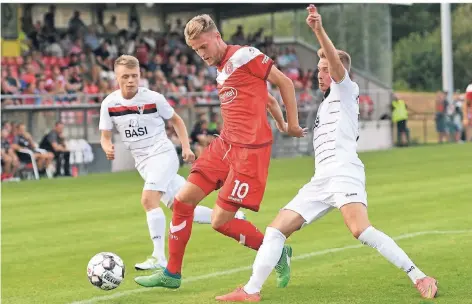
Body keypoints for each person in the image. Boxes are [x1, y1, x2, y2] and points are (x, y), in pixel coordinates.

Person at [216, 5, 438, 302]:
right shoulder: (325, 104)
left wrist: (318, 31)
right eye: (318, 70)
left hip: (344, 171)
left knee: (360, 230)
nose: (319, 74)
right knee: (275, 230)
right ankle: (251, 290)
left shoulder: (347, 89)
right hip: (322, 178)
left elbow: (335, 64)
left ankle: (419, 276)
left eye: (324, 70)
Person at [134, 14, 306, 289]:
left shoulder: (245, 55)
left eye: (203, 47)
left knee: (219, 221)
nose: (201, 54)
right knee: (182, 201)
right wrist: (280, 121)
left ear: (217, 37)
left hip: (249, 153)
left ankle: (276, 253)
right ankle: (172, 274)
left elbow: (283, 83)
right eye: (195, 50)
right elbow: (267, 98)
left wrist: (292, 125)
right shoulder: (222, 68)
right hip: (224, 145)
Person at [99, 55, 245, 271]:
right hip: (143, 164)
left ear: (140, 76)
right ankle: (234, 217)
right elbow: (105, 135)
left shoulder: (153, 98)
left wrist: (186, 148)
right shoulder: (109, 103)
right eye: (125, 76)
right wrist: (107, 146)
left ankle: (158, 257)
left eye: (135, 76)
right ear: (116, 77)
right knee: (181, 207)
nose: (131, 80)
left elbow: (176, 120)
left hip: (162, 155)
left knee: (149, 200)